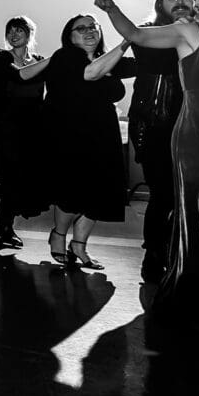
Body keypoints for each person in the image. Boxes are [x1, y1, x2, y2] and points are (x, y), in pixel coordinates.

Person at [93, 0, 199, 323]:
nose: (195, 1)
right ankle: (195, 288)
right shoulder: (186, 32)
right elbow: (136, 34)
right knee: (197, 207)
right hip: (196, 133)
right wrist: (111, 8)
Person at [44, 14, 135, 269]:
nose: (89, 31)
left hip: (104, 134)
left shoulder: (108, 60)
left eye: (93, 26)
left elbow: (141, 64)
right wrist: (127, 41)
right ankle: (59, 235)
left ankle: (80, 245)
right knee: (71, 191)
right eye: (80, 28)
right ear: (69, 35)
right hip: (72, 136)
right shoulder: (65, 58)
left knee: (101, 192)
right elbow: (90, 74)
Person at [122, 0, 193, 282]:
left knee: (187, 195)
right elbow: (163, 62)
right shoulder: (148, 33)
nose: (179, 1)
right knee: (163, 194)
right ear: (159, 4)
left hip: (194, 123)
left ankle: (182, 251)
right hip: (155, 124)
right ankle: (154, 253)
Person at [0, 16, 50, 246]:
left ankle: (4, 220)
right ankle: (4, 224)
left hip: (32, 124)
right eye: (10, 31)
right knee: (11, 173)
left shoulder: (39, 60)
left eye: (19, 30)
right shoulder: (3, 58)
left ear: (29, 34)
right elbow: (18, 77)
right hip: (6, 124)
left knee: (25, 174)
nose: (13, 35)